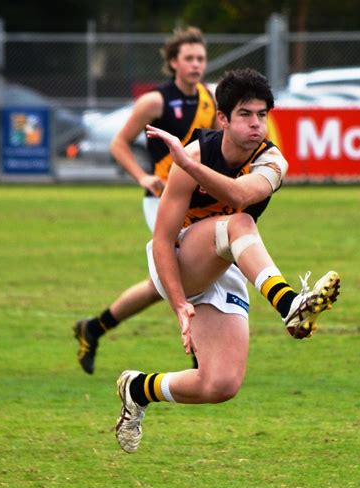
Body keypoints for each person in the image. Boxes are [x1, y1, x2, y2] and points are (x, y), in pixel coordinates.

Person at [115, 68, 341, 454]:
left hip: (225, 262)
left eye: (262, 115)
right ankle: (290, 305)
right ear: (223, 118)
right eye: (245, 115)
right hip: (179, 259)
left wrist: (188, 166)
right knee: (240, 224)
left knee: (220, 385)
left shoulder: (270, 161)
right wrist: (180, 304)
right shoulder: (196, 155)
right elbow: (161, 241)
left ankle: (137, 388)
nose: (257, 124)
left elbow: (239, 194)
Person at [74, 26, 217, 374]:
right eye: (189, 59)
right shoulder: (155, 101)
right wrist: (142, 176)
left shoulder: (210, 100)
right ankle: (199, 352)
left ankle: (94, 328)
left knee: (164, 285)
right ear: (173, 62)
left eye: (201, 58)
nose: (197, 64)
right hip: (161, 200)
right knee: (187, 274)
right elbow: (118, 144)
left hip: (196, 201)